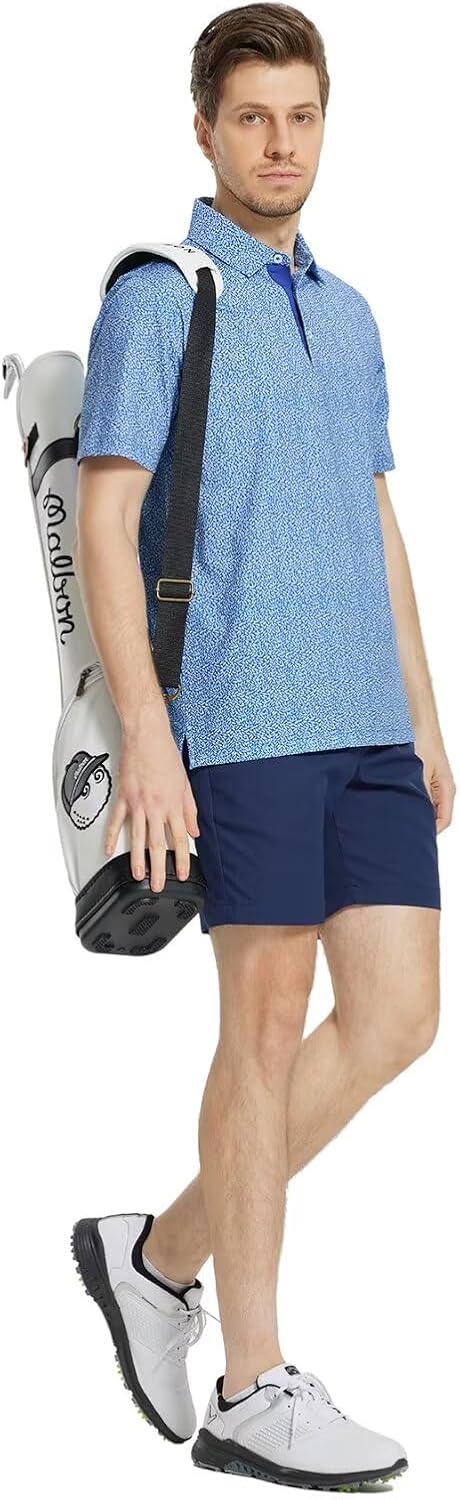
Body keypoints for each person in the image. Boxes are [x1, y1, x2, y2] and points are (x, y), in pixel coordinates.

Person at [70, 4, 455, 1489]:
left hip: (363, 719)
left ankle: (156, 1256)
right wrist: (147, 736)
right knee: (263, 1028)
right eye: (252, 118)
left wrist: (422, 708)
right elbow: (107, 517)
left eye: (301, 116)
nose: (280, 144)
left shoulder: (350, 312)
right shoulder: (163, 297)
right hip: (236, 720)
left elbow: (376, 515)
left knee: (399, 1018)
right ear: (206, 130)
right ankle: (250, 1382)